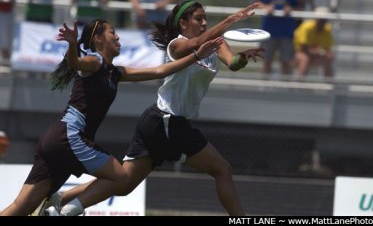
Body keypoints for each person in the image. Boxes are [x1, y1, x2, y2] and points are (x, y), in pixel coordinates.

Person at [42, 1, 263, 216]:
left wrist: (242, 58)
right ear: (183, 24)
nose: (204, 22)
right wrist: (231, 19)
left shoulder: (216, 43)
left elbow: (232, 64)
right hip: (167, 120)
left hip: (162, 124)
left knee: (125, 184)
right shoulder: (177, 44)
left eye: (205, 18)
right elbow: (196, 45)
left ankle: (60, 200)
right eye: (198, 18)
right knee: (222, 169)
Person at [0, 18, 220, 216]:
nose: (117, 36)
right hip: (69, 137)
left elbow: (159, 71)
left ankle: (61, 207)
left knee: (22, 207)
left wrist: (196, 56)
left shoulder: (115, 72)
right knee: (122, 178)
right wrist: (72, 45)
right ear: (98, 39)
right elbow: (76, 63)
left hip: (58, 141)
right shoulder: (94, 62)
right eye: (112, 32)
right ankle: (67, 211)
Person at [253, 0, 303, 75]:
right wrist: (266, 7)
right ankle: (264, 88)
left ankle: (285, 90)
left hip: (287, 32)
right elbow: (255, 2)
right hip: (268, 31)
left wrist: (291, 9)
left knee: (287, 62)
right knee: (266, 60)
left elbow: (301, 6)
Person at [293, 7, 334, 78]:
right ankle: (299, 85)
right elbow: (304, 49)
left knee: (329, 58)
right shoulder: (306, 28)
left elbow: (328, 49)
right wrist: (319, 51)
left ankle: (328, 85)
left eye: (324, 20)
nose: (322, 22)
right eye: (320, 20)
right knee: (304, 59)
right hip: (298, 53)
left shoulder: (327, 30)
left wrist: (323, 53)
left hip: (316, 54)